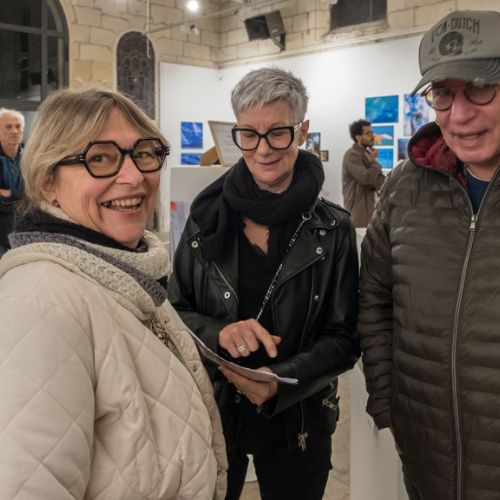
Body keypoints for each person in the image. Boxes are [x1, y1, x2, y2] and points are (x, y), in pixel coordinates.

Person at [0, 88, 227, 499]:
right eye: (100, 158)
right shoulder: (39, 302)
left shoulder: (127, 272)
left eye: (144, 153)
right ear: (48, 182)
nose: (135, 176)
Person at [167, 67, 359, 500]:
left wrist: (281, 379)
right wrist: (220, 333)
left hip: (299, 420)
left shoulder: (332, 229)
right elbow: (174, 311)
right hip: (215, 413)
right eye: (249, 135)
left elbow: (345, 337)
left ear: (302, 132)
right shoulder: (205, 219)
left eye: (278, 133)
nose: (263, 149)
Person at [358, 9, 500, 500]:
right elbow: (374, 300)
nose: (459, 115)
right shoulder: (405, 186)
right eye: (442, 93)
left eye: (480, 88)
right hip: (427, 458)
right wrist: (389, 405)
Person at [341, 119, 385, 227]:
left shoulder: (368, 154)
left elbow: (380, 181)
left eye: (372, 133)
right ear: (358, 137)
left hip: (372, 209)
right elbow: (366, 179)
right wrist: (374, 161)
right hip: (358, 212)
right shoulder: (352, 155)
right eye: (368, 133)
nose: (372, 136)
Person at [0, 107, 25, 256]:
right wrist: (19, 196)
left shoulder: (29, 159)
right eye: (8, 127)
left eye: (18, 126)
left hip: (24, 233)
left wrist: (8, 194)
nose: (14, 131)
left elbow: (34, 194)